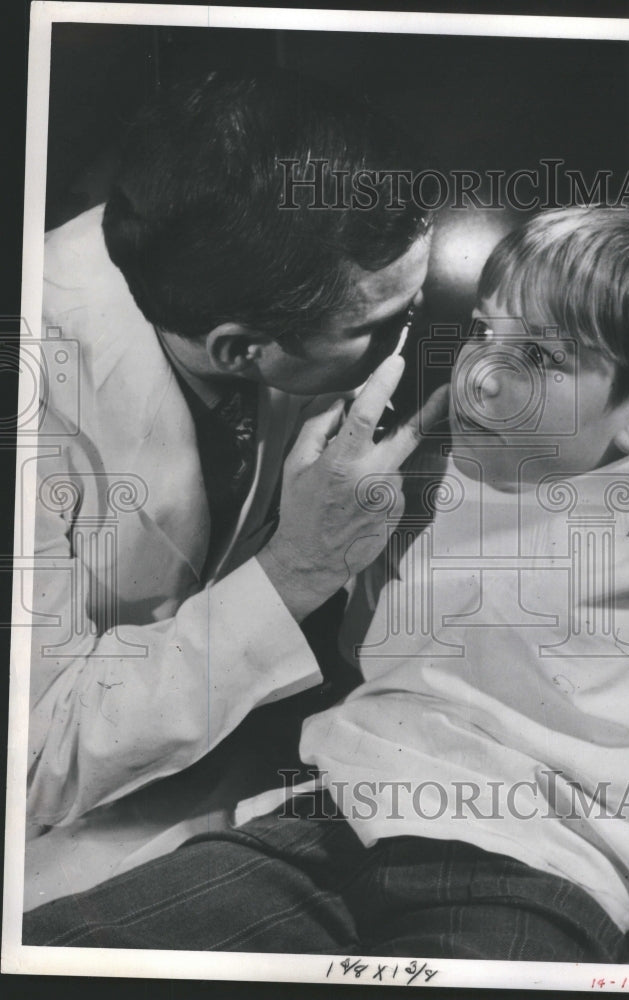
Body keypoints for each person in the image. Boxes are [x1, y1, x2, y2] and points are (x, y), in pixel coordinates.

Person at [24, 207, 629, 962]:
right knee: (60, 945)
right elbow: (361, 653)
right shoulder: (410, 472)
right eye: (481, 332)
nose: (480, 372)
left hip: (537, 862)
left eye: (540, 357)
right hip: (330, 822)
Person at [23, 70, 447, 903]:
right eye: (378, 328)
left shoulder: (257, 275)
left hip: (229, 762)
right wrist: (295, 570)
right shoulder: (35, 380)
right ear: (241, 350)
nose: (404, 345)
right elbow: (36, 756)